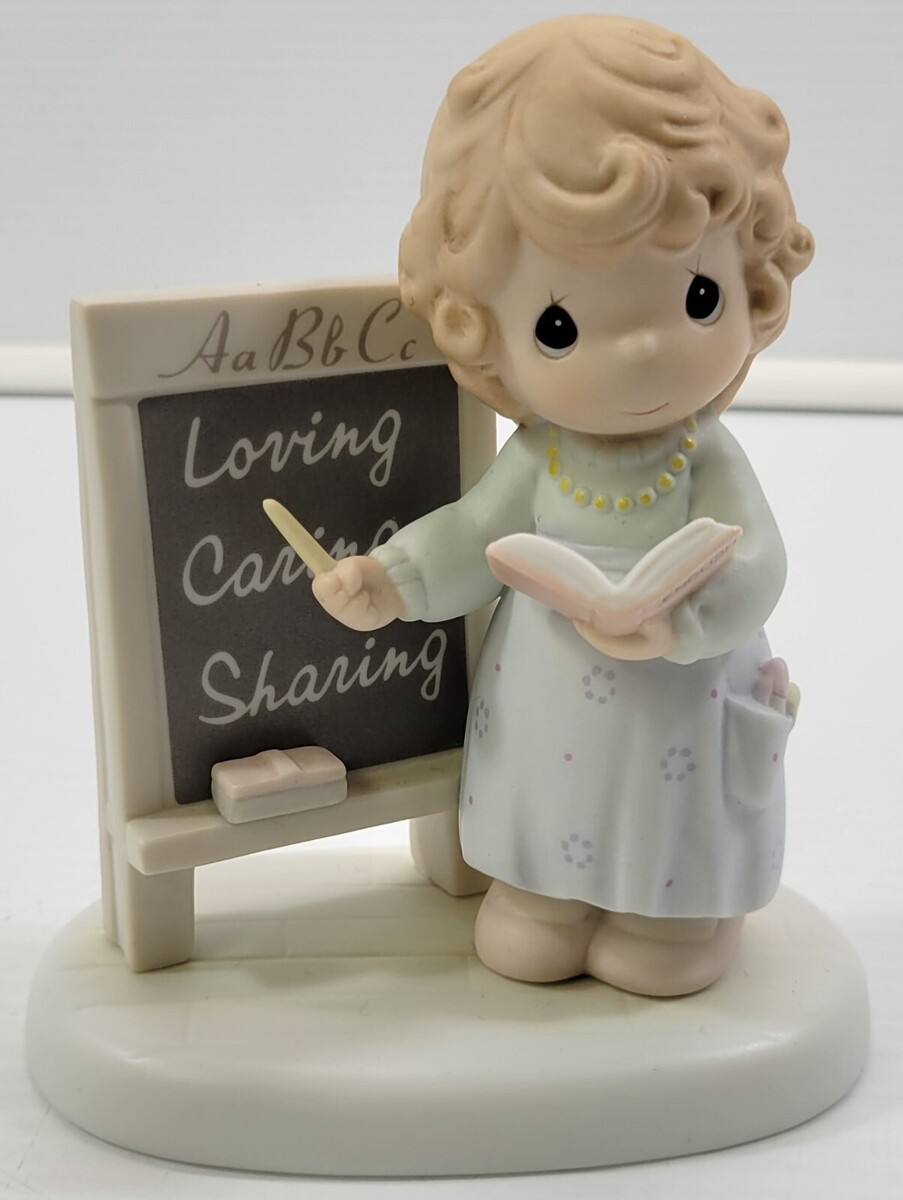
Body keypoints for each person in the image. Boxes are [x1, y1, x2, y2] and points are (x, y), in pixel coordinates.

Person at [313, 14, 813, 995]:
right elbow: (473, 533)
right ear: (485, 328)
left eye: (698, 300)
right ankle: (546, 893)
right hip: (551, 695)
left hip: (683, 694)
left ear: (748, 276)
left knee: (670, 817)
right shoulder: (539, 458)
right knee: (551, 800)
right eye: (559, 324)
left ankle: (675, 913)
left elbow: (758, 559)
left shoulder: (704, 457)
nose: (644, 351)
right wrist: (390, 581)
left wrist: (684, 620)